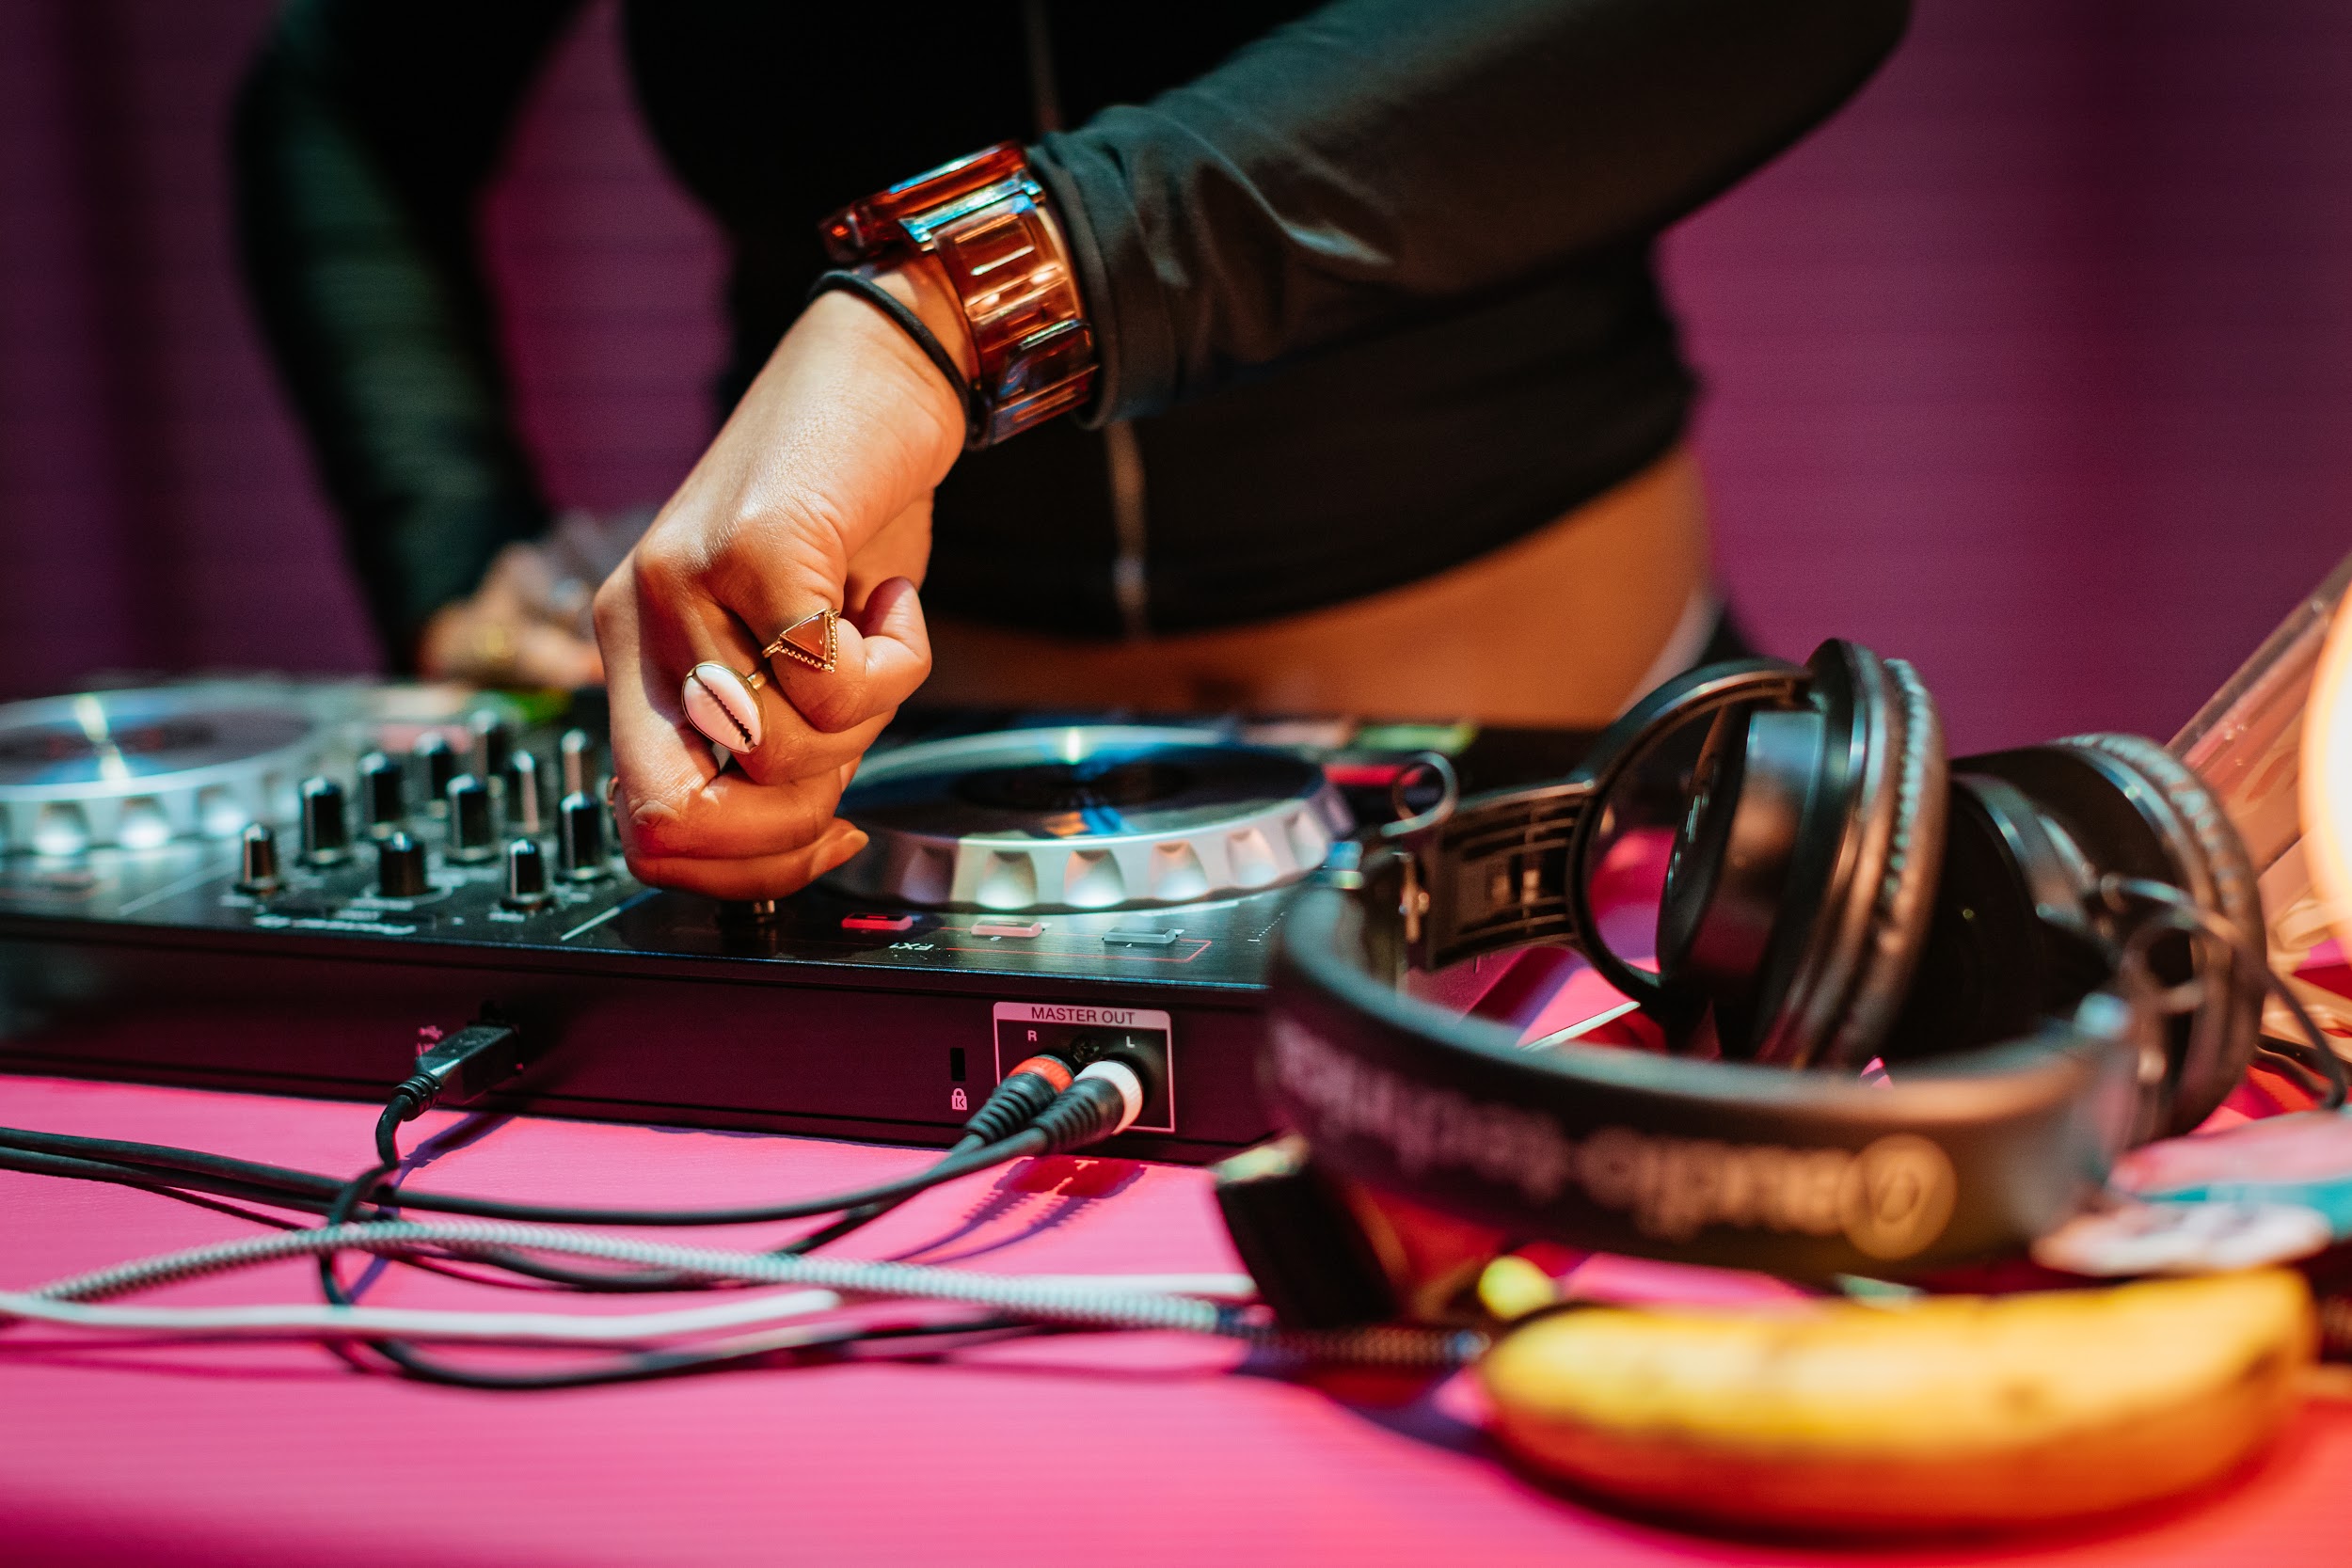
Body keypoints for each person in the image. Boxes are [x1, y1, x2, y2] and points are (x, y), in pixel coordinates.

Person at [235, 0, 1910, 899]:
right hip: (874, 843)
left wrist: (958, 303)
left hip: (1591, 793)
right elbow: (346, 93)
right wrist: (449, 549)